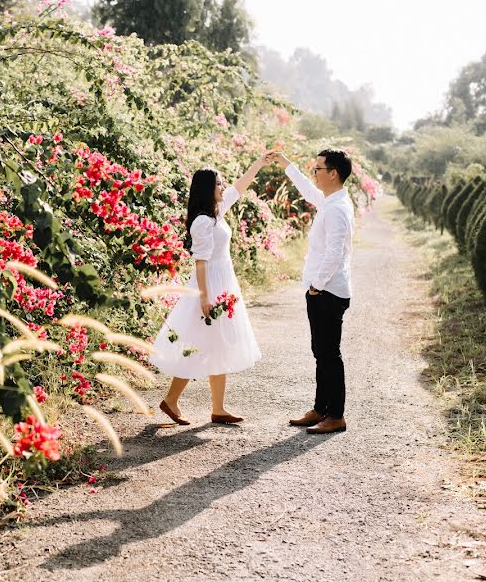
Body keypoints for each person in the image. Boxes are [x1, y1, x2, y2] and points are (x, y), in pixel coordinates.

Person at [151, 158, 268, 426]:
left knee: (218, 342)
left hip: (223, 281)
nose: (222, 186)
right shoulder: (203, 222)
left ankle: (218, 408)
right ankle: (172, 400)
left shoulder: (216, 213)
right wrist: (204, 296)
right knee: (198, 343)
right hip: (209, 286)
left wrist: (258, 164)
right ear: (207, 188)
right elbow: (200, 261)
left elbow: (239, 187)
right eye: (217, 183)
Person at [268, 148, 354, 434]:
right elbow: (306, 189)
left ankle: (336, 415)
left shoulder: (338, 208)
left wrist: (317, 285)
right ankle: (320, 409)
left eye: (318, 168)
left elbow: (335, 254)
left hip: (328, 292)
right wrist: (285, 163)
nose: (314, 172)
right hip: (321, 289)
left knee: (330, 354)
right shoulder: (330, 200)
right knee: (321, 352)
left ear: (333, 173)